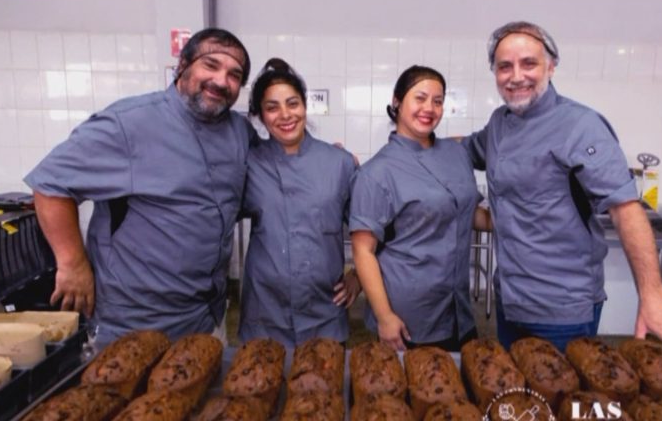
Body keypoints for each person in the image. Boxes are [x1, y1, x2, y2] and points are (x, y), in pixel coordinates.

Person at [462, 21, 662, 361]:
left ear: (551, 66)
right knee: (519, 405)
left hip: (563, 310)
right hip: (510, 299)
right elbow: (462, 151)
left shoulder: (581, 126)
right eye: (505, 66)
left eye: (529, 63)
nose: (516, 75)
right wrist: (415, 141)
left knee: (563, 401)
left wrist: (652, 297)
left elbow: (626, 210)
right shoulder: (499, 124)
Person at [24, 28, 257, 345]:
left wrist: (327, 160)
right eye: (211, 65)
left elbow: (269, 169)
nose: (221, 80)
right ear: (182, 65)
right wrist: (72, 263)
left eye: (234, 75)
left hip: (206, 317)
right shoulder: (129, 124)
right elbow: (50, 183)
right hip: (133, 323)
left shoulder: (239, 132)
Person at [350, 65, 492, 352]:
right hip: (410, 313)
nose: (429, 108)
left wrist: (519, 216)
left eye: (437, 101)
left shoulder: (455, 153)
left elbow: (464, 212)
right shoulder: (378, 172)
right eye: (420, 98)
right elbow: (363, 250)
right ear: (397, 101)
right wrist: (384, 316)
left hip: (458, 308)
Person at [238, 58, 360, 347]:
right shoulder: (248, 164)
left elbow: (373, 228)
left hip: (324, 315)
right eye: (272, 107)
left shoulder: (339, 163)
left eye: (292, 103)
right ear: (260, 116)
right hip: (264, 315)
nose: (285, 115)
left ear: (305, 105)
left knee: (324, 388)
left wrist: (358, 277)